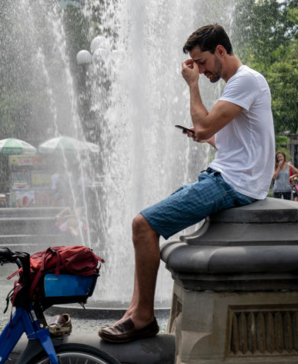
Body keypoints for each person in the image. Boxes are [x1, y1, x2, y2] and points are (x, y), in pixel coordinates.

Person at [98, 24, 274, 343]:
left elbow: (204, 125)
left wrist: (192, 88)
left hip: (233, 184)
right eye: (196, 66)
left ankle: (142, 317)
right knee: (144, 225)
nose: (201, 70)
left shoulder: (245, 80)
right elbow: (229, 142)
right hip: (230, 178)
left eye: (202, 62)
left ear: (220, 51)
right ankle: (134, 310)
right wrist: (205, 137)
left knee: (142, 224)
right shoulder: (240, 83)